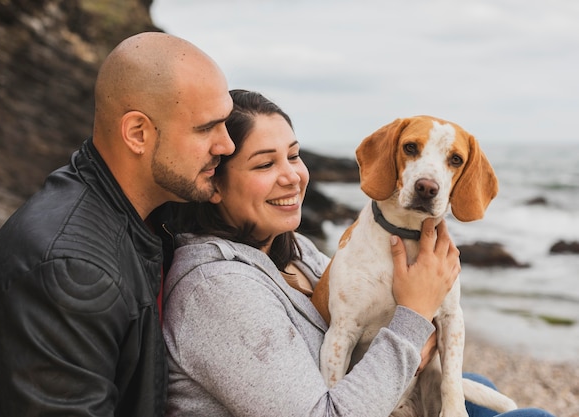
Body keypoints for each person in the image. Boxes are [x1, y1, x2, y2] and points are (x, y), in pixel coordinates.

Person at [162, 89, 555, 417]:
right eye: (265, 163)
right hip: (368, 400)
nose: (293, 176)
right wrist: (415, 315)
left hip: (396, 389)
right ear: (214, 184)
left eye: (295, 156)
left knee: (485, 388)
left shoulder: (295, 251)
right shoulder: (216, 291)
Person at [0, 32, 235, 416]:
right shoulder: (73, 272)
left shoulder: (154, 210)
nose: (227, 145)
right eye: (206, 129)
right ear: (138, 133)